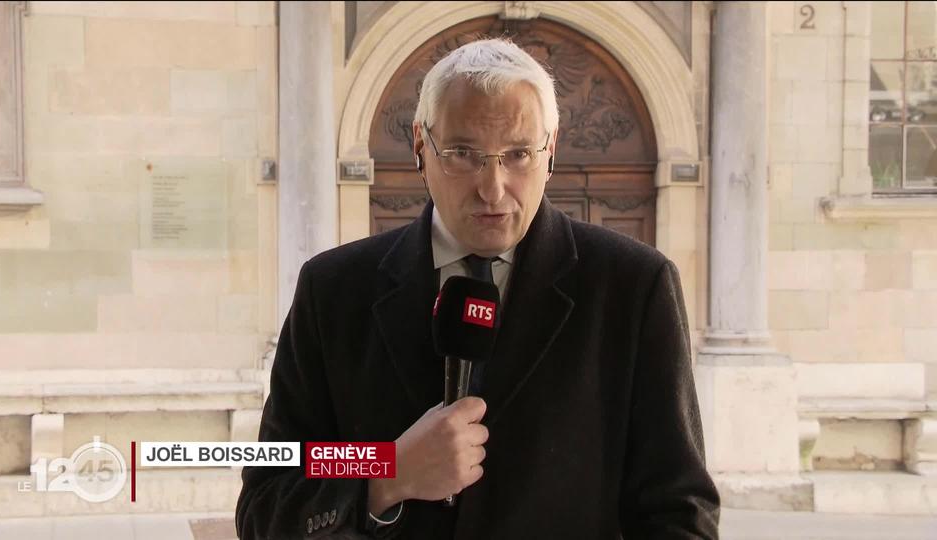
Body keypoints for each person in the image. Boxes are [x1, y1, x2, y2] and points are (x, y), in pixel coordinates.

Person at [236, 38, 720, 539]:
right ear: (421, 148)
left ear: (550, 152)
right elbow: (266, 505)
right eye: (464, 154)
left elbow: (678, 516)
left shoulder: (633, 288)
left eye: (517, 154)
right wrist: (385, 475)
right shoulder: (332, 292)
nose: (493, 188)